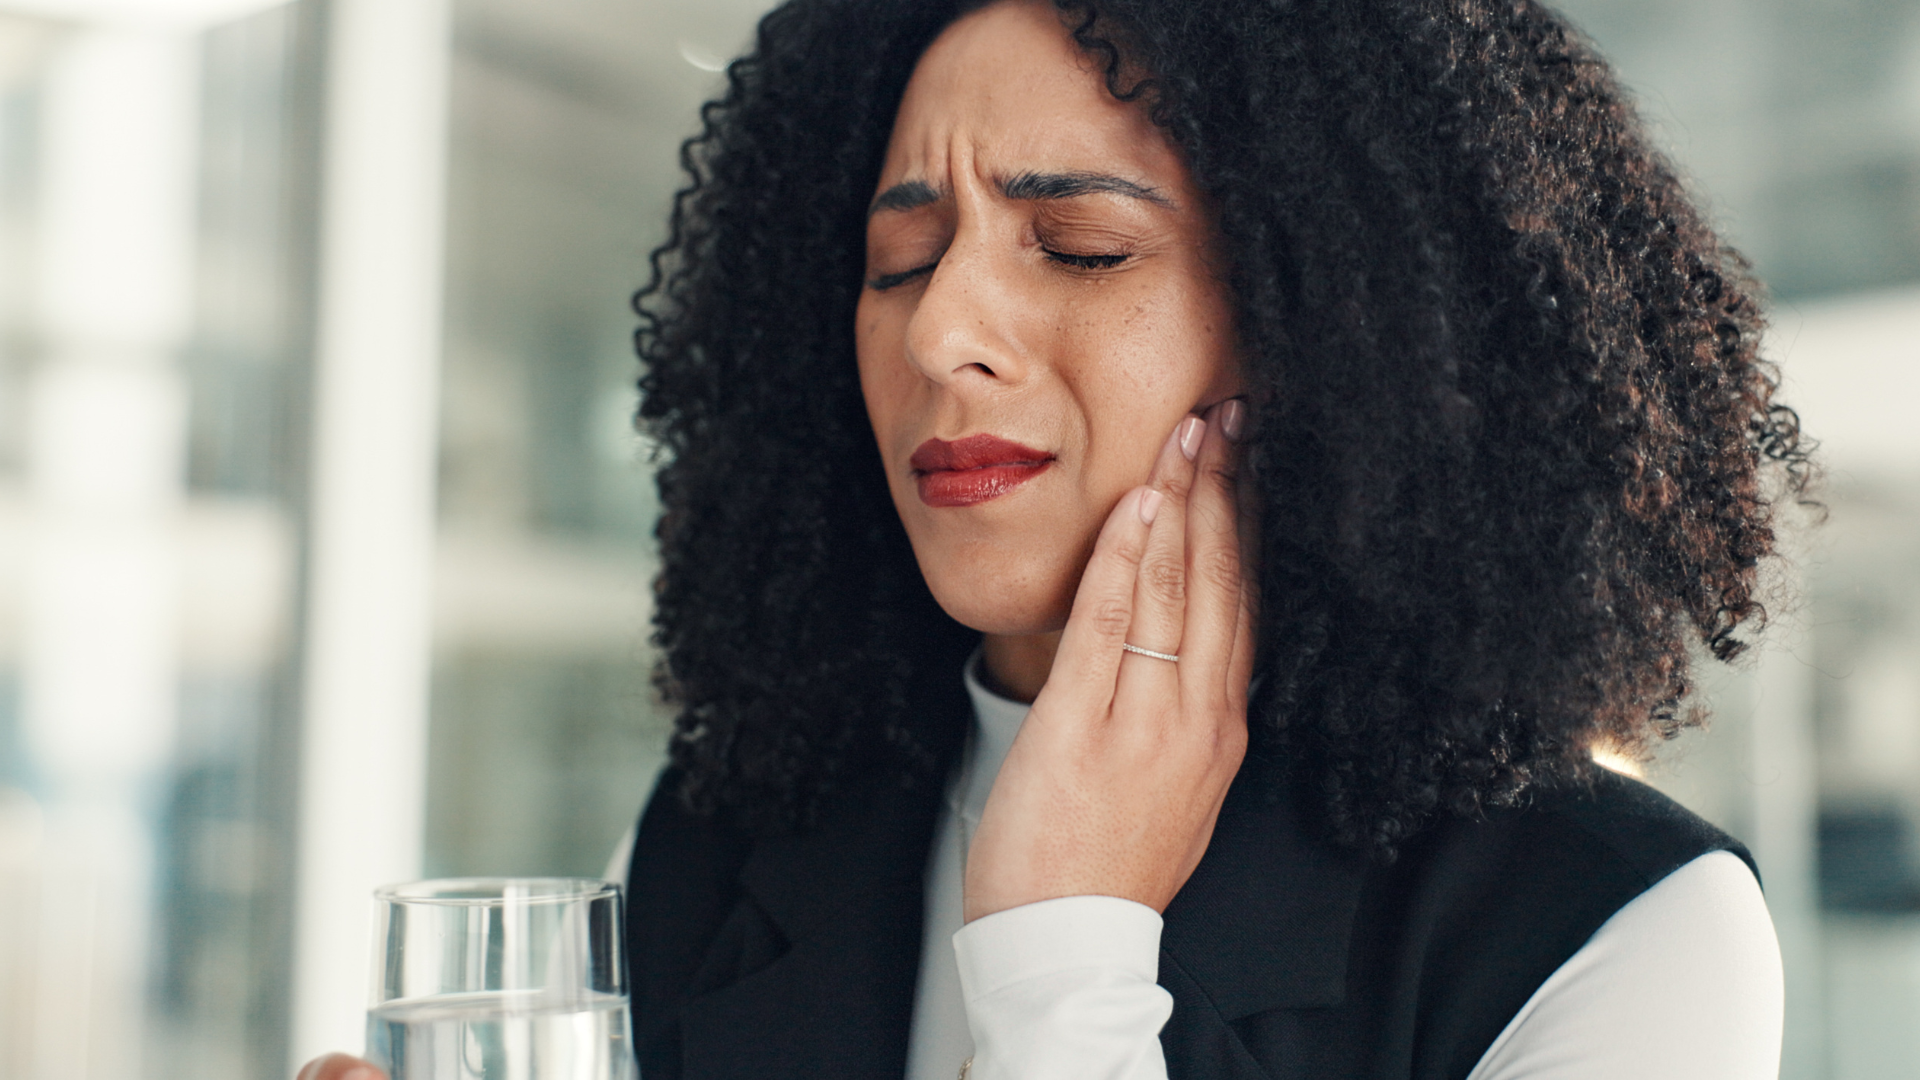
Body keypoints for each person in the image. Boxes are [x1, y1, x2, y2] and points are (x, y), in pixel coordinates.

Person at [302, 0, 1811, 1078]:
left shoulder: (1613, 932)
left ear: (1333, 328)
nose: (942, 330)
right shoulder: (727, 826)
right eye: (899, 258)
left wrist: (1065, 961)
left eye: (1080, 247)